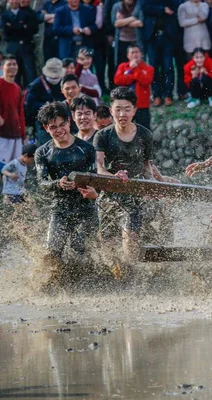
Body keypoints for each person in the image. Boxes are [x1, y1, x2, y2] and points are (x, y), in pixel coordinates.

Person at [35, 101, 99, 288]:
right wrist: (58, 183)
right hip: (60, 209)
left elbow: (95, 179)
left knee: (80, 248)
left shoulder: (86, 149)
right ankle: (53, 288)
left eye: (62, 124)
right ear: (47, 128)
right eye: (53, 127)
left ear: (69, 121)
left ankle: (87, 286)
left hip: (86, 208)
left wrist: (95, 192)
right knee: (52, 252)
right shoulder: (43, 152)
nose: (59, 130)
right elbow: (42, 184)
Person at [93, 87, 153, 263]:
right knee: (108, 240)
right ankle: (113, 276)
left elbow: (147, 166)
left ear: (134, 110)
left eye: (127, 109)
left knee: (130, 236)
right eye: (118, 109)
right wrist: (113, 176)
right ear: (111, 111)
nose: (122, 114)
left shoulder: (145, 135)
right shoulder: (102, 135)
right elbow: (99, 166)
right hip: (109, 195)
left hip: (134, 194)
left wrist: (157, 184)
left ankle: (130, 271)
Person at [142, 0, 180, 107]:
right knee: (153, 67)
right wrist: (162, 9)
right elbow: (145, 7)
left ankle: (168, 94)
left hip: (168, 35)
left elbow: (174, 6)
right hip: (152, 36)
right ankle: (156, 95)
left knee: (168, 67)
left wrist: (160, 9)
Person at [25, 58, 66, 145]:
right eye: (52, 76)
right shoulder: (36, 85)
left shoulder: (63, 82)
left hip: (61, 119)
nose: (54, 78)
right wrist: (48, 107)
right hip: (43, 122)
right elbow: (30, 105)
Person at [113, 44, 155, 130]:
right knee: (125, 129)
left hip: (142, 105)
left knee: (144, 130)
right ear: (128, 55)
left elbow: (146, 81)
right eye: (132, 53)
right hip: (125, 105)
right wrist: (132, 72)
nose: (135, 55)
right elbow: (117, 80)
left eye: (137, 52)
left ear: (141, 54)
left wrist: (134, 70)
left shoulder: (148, 68)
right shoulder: (123, 66)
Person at [1, 0, 40, 87]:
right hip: (12, 47)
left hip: (26, 47)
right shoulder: (5, 15)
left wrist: (12, 26)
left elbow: (33, 29)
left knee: (30, 73)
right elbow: (6, 33)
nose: (14, 1)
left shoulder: (28, 13)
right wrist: (22, 27)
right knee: (14, 74)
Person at [0, 56, 26, 172]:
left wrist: (23, 134)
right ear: (2, 67)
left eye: (14, 64)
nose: (12, 67)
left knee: (14, 170)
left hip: (16, 134)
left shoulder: (17, 88)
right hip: (2, 134)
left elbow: (20, 112)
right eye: (9, 64)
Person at [110, 0, 144, 66]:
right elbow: (115, 23)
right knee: (121, 64)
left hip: (135, 40)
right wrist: (133, 18)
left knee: (137, 64)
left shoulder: (138, 6)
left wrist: (123, 22)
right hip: (121, 40)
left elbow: (140, 23)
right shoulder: (116, 6)